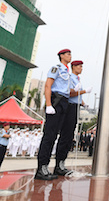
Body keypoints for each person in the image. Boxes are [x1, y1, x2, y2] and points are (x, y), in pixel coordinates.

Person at [35, 49, 73, 180]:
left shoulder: (67, 72)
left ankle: (48, 167)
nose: (70, 56)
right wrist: (49, 104)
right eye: (68, 54)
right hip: (56, 101)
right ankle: (41, 168)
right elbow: (48, 86)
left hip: (64, 102)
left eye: (70, 54)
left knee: (55, 135)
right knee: (49, 135)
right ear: (61, 56)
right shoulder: (56, 68)